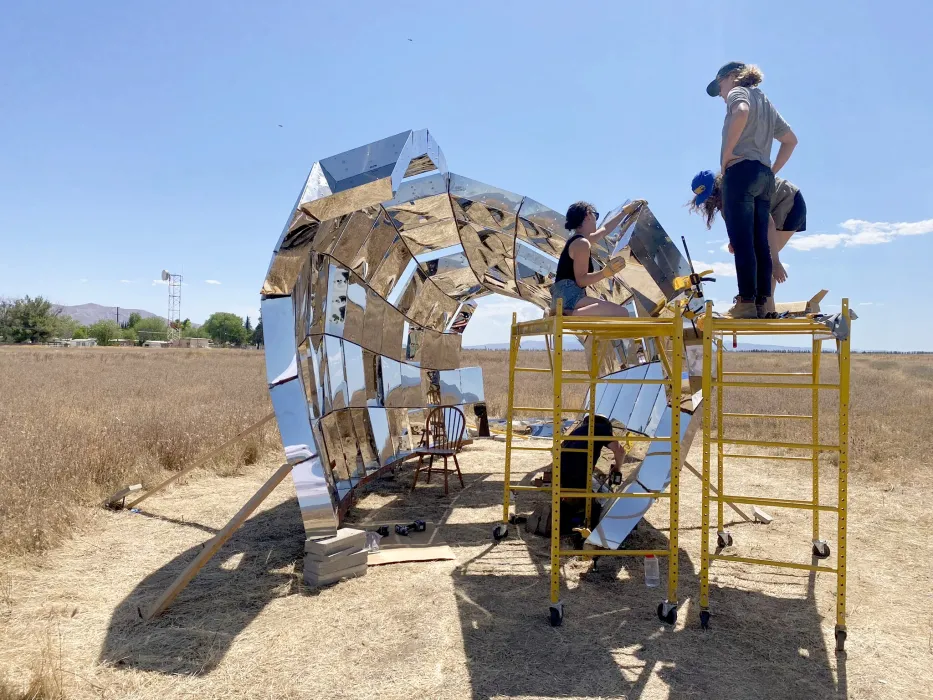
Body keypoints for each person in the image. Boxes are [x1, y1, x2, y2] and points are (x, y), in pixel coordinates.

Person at [706, 61, 798, 318]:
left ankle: (745, 302)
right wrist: (771, 170)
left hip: (740, 172)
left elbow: (741, 112)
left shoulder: (739, 93)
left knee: (743, 241)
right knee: (760, 243)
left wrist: (726, 155)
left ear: (733, 77)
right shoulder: (765, 101)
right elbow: (791, 140)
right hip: (763, 175)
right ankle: (761, 302)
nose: (721, 93)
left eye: (720, 86)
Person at [690, 170, 807, 315]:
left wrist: (776, 262)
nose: (710, 202)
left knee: (765, 260)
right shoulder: (726, 203)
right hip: (775, 205)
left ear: (718, 187)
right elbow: (735, 227)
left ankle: (766, 310)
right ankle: (761, 307)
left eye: (711, 196)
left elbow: (769, 224)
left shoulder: (738, 189)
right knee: (756, 258)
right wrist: (735, 242)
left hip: (789, 202)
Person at [550, 201, 634, 317]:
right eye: (596, 216)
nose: (596, 220)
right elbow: (581, 280)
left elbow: (604, 229)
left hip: (565, 296)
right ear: (588, 215)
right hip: (569, 298)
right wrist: (605, 273)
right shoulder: (582, 243)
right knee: (621, 312)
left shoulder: (580, 240)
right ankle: (569, 314)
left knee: (616, 312)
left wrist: (624, 212)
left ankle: (562, 312)